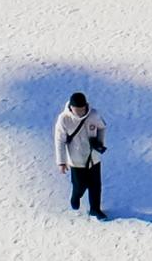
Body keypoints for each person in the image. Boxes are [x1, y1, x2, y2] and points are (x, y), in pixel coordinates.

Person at [53, 90, 109, 219]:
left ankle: (95, 209)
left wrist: (99, 143)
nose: (81, 112)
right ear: (71, 107)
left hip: (93, 158)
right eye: (78, 109)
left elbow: (102, 127)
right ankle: (76, 196)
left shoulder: (93, 115)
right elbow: (59, 140)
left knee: (95, 185)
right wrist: (61, 162)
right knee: (80, 185)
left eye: (83, 109)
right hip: (76, 159)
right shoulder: (64, 119)